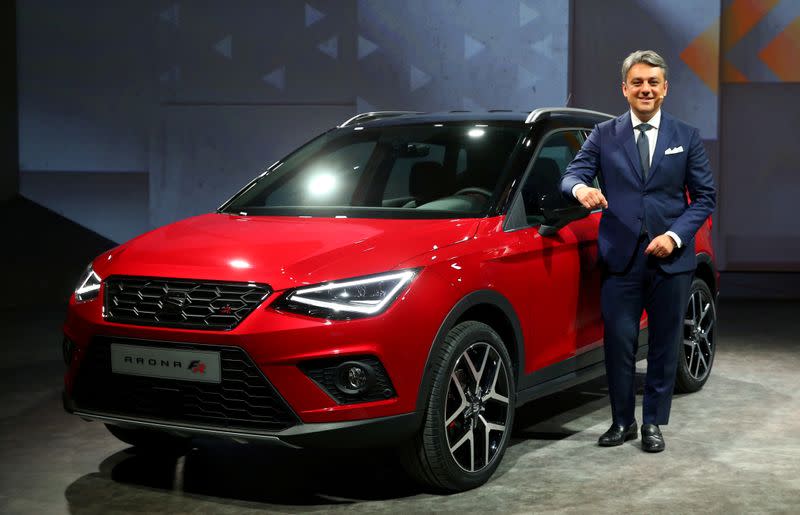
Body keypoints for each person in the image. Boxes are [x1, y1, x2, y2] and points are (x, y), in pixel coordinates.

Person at [560, 50, 716, 452]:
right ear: (624, 88)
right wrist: (582, 189)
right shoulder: (603, 134)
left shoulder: (686, 137)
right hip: (620, 260)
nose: (645, 89)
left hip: (671, 261)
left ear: (664, 88)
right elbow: (573, 174)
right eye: (637, 82)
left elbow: (704, 197)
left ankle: (652, 425)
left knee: (664, 345)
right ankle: (621, 422)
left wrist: (676, 237)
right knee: (619, 344)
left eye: (653, 82)